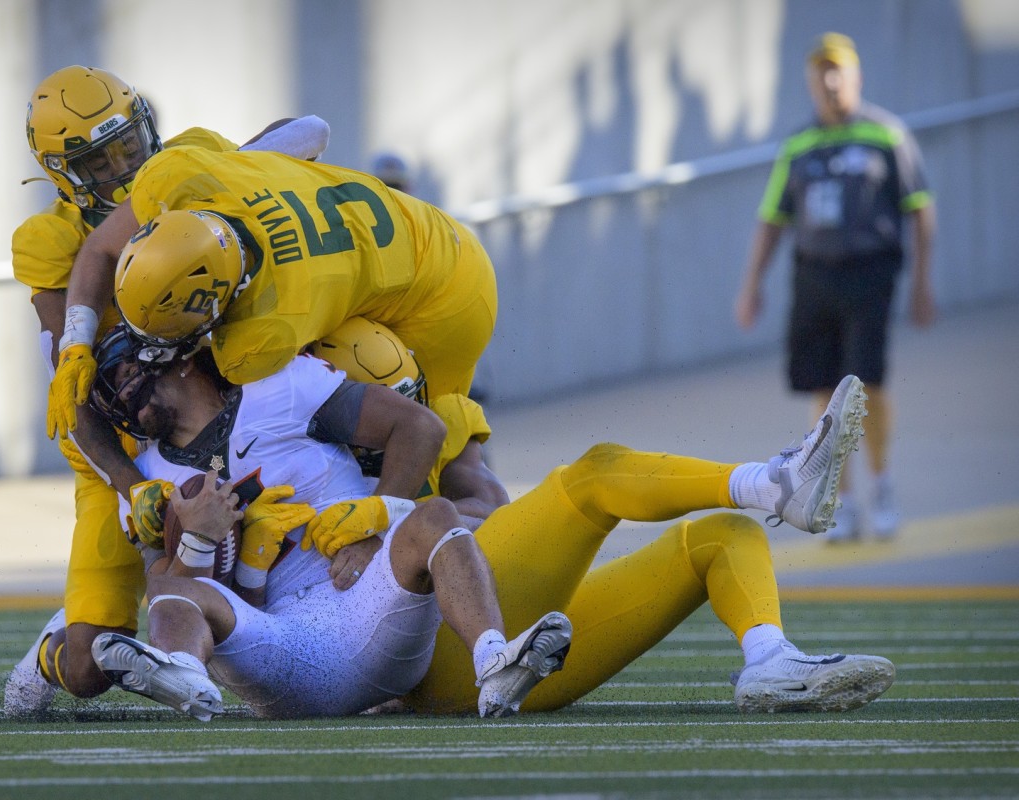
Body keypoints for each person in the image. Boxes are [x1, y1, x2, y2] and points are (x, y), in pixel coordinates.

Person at [98, 317, 894, 717]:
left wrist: (384, 514)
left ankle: (771, 658)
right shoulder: (212, 446)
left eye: (392, 387)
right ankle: (772, 480)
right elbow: (174, 588)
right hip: (392, 634)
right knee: (595, 474)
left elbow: (481, 502)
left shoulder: (406, 414)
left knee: (720, 536)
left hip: (459, 610)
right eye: (366, 388)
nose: (381, 400)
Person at [3, 64, 331, 717]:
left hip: (205, 423)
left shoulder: (183, 161)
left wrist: (230, 164)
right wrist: (130, 488)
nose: (125, 164)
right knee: (89, 665)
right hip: (116, 445)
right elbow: (79, 391)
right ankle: (50, 650)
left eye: (130, 143)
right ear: (62, 171)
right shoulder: (51, 241)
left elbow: (311, 131)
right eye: (101, 159)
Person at [86, 325, 572, 720]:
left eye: (130, 374)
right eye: (117, 393)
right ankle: (185, 675)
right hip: (280, 644)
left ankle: (494, 662)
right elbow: (164, 591)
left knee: (436, 514)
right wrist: (203, 543)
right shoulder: (150, 480)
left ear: (181, 357)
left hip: (373, 601)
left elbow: (419, 427)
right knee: (173, 591)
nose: (126, 398)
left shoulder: (279, 387)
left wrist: (376, 523)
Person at [44, 137, 499, 444]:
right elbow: (103, 248)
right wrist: (76, 342)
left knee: (429, 434)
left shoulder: (264, 333)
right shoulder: (184, 175)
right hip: (422, 224)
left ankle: (427, 531)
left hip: (451, 293)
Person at [734, 32, 937, 542]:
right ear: (809, 81)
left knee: (865, 383)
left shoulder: (886, 136)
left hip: (870, 272)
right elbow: (772, 218)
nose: (829, 81)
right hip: (813, 277)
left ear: (855, 76)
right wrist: (751, 283)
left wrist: (923, 282)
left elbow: (920, 208)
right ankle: (840, 499)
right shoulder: (798, 145)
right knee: (823, 389)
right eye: (820, 72)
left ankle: (883, 485)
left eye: (838, 70)